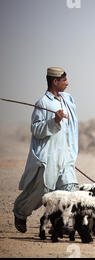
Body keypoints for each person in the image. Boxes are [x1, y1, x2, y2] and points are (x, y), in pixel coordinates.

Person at [13, 67, 79, 233]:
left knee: (68, 188)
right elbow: (36, 129)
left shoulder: (67, 99)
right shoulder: (43, 103)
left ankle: (60, 224)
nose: (67, 83)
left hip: (65, 153)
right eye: (64, 80)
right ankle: (20, 212)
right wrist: (54, 121)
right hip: (49, 155)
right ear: (55, 82)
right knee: (42, 191)